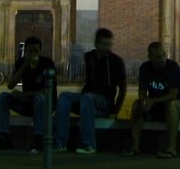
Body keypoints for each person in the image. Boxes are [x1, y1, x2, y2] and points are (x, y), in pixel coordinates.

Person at [52, 27, 127, 155]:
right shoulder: (89, 57)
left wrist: (115, 110)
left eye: (109, 44)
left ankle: (90, 144)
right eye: (104, 44)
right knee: (64, 97)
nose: (107, 48)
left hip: (104, 102)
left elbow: (123, 89)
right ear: (96, 44)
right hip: (88, 98)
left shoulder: (116, 61)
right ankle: (60, 142)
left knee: (87, 98)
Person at [124, 41, 180, 159]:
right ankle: (135, 147)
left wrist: (153, 101)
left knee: (169, 105)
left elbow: (173, 94)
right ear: (150, 58)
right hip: (157, 105)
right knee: (136, 105)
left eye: (163, 55)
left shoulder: (172, 67)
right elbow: (142, 93)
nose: (162, 59)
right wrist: (145, 102)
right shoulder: (145, 68)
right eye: (157, 57)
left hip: (179, 104)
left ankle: (171, 148)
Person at [0, 36, 57, 152]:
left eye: (36, 51)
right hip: (27, 103)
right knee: (2, 97)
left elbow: (48, 90)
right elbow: (10, 85)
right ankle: (4, 136)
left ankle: (38, 138)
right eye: (29, 51)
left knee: (39, 98)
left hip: (44, 104)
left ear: (40, 51)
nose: (32, 54)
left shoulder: (47, 63)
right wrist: (24, 66)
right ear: (25, 51)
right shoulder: (21, 63)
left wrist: (24, 95)